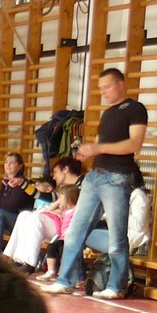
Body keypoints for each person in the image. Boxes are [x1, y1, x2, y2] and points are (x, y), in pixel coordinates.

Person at [47, 67, 149, 299]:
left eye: (107, 87)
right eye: (101, 88)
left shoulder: (135, 109)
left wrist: (98, 147)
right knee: (74, 231)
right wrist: (88, 152)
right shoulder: (107, 114)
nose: (103, 92)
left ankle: (116, 286)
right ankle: (65, 280)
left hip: (117, 178)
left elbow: (134, 144)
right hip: (95, 176)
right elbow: (102, 146)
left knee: (117, 236)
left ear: (120, 84)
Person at [3, 155, 81, 268]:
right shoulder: (64, 189)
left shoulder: (81, 188)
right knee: (24, 215)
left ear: (65, 170)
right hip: (57, 223)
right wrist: (21, 183)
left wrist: (59, 211)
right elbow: (40, 195)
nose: (54, 177)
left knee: (36, 218)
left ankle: (28, 263)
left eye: (55, 172)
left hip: (66, 229)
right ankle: (13, 258)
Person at [34, 184, 82, 280]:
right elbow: (48, 210)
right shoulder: (63, 211)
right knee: (52, 247)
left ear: (68, 197)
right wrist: (58, 202)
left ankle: (65, 274)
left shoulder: (76, 210)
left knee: (63, 251)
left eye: (60, 197)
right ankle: (51, 271)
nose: (59, 199)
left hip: (71, 238)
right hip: (63, 237)